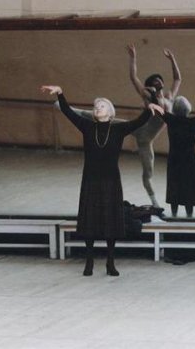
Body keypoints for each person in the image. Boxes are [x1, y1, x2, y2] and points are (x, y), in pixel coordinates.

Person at [42, 85, 163, 276]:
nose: (98, 108)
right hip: (90, 179)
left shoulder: (119, 129)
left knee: (110, 222)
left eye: (103, 106)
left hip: (111, 180)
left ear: (110, 111)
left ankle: (110, 262)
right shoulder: (87, 126)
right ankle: (89, 261)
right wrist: (60, 93)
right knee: (90, 221)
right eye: (96, 106)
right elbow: (67, 112)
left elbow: (138, 122)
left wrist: (150, 108)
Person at [57, 45, 181, 208]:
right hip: (138, 127)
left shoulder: (170, 97)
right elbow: (133, 78)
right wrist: (133, 58)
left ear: (162, 84)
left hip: (146, 141)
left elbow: (178, 79)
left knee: (147, 174)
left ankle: (154, 202)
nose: (158, 81)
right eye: (154, 80)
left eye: (159, 80)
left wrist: (172, 59)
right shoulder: (147, 96)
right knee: (107, 119)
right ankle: (67, 108)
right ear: (150, 85)